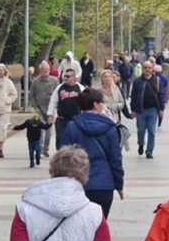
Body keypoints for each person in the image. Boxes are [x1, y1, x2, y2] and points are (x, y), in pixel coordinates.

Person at [62, 89, 124, 218]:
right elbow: (116, 159)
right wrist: (119, 185)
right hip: (103, 184)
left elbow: (63, 159)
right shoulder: (110, 128)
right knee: (99, 226)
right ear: (96, 104)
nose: (103, 105)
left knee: (79, 227)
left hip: (78, 184)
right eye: (102, 102)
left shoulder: (72, 126)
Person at [130, 61, 164, 159]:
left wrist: (161, 109)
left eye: (149, 68)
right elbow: (133, 96)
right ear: (143, 69)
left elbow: (160, 95)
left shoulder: (157, 80)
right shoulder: (137, 81)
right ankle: (141, 144)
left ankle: (149, 151)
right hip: (141, 110)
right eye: (145, 68)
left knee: (152, 131)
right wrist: (133, 110)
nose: (147, 70)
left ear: (152, 69)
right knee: (141, 130)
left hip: (153, 110)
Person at [47, 68, 85, 149]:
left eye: (68, 76)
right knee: (60, 140)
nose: (66, 78)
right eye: (65, 76)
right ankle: (61, 158)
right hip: (62, 119)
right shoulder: (60, 88)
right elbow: (53, 102)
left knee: (76, 141)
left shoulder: (81, 88)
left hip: (76, 119)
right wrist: (50, 114)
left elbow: (86, 103)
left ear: (74, 77)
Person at [31, 62, 59, 157]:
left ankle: (45, 149)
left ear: (49, 70)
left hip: (50, 109)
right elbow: (32, 96)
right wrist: (35, 107)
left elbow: (57, 95)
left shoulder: (54, 81)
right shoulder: (35, 81)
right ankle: (40, 149)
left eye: (47, 70)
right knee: (40, 130)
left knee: (48, 130)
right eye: (43, 70)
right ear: (40, 71)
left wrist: (55, 109)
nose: (45, 72)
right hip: (39, 108)